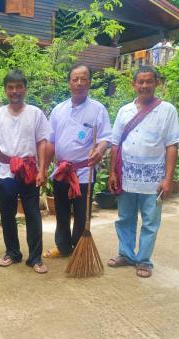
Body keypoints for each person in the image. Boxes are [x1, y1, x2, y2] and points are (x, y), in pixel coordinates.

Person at [108, 66, 179, 278]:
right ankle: (126, 254)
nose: (144, 86)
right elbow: (115, 144)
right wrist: (113, 172)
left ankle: (144, 260)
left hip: (154, 181)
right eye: (140, 82)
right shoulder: (124, 111)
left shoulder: (167, 110)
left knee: (150, 222)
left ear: (156, 83)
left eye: (148, 81)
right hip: (127, 177)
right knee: (125, 218)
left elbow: (172, 146)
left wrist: (168, 179)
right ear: (133, 84)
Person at [0, 69, 51, 274]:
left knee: (33, 214)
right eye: (11, 87)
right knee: (7, 214)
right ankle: (12, 252)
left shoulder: (35, 113)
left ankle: (35, 257)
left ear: (25, 89)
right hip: (5, 172)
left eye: (19, 87)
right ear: (5, 90)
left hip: (29, 171)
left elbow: (42, 143)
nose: (15, 91)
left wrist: (42, 169)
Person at [43, 64, 112, 259]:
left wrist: (99, 150)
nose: (79, 83)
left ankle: (80, 248)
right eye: (75, 79)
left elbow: (105, 138)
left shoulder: (98, 110)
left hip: (84, 171)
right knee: (62, 212)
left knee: (82, 214)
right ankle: (63, 247)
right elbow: (50, 141)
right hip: (62, 171)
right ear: (69, 83)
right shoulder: (59, 110)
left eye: (84, 79)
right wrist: (44, 169)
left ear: (90, 82)